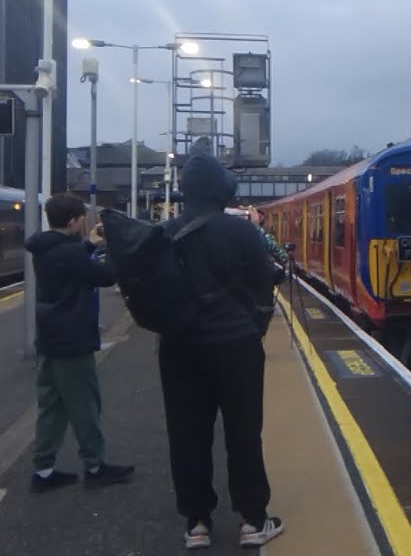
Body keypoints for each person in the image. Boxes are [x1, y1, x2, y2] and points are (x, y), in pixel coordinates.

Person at [159, 154, 282, 550]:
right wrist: (255, 329)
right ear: (222, 190)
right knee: (244, 432)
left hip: (178, 348)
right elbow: (265, 286)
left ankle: (196, 523)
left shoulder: (164, 233)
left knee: (188, 434)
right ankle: (252, 520)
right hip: (235, 346)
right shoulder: (240, 231)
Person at [24, 193, 135, 493]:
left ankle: (43, 471)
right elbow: (107, 277)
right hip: (72, 339)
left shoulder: (44, 247)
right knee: (85, 404)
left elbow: (71, 263)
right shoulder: (69, 254)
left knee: (52, 406)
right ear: (74, 220)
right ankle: (95, 467)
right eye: (83, 218)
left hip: (49, 337)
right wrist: (113, 247)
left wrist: (89, 244)